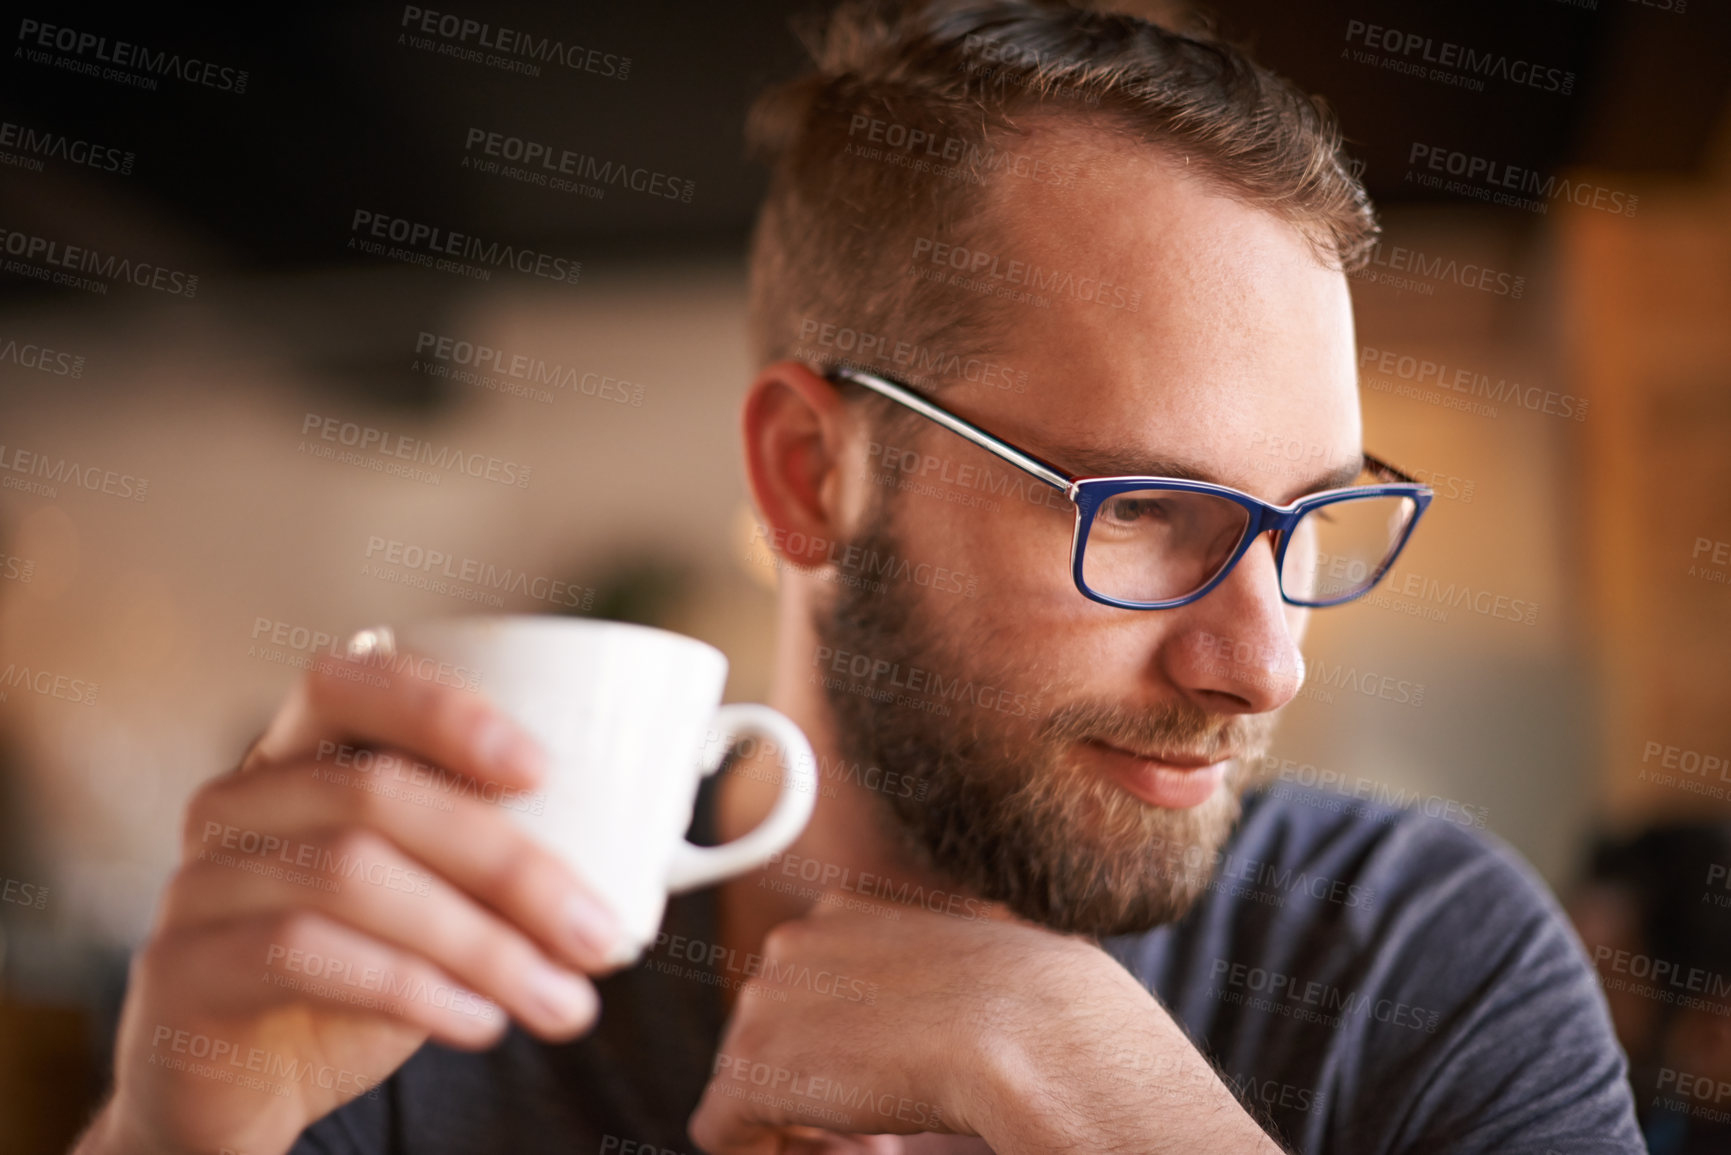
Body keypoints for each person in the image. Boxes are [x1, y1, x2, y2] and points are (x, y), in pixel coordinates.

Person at [72, 1, 1644, 1151]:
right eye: (1150, 510)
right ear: (807, 477)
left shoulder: (1418, 961)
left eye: (1308, 520)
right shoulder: (433, 987)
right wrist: (172, 1131)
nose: (1266, 663)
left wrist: (1112, 1100)